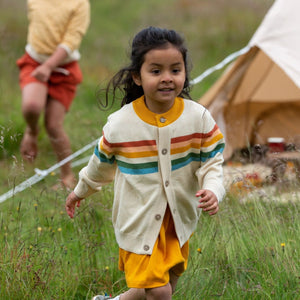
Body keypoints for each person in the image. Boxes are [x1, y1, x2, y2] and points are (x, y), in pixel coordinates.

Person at [65, 26, 225, 300]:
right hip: (137, 222)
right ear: (137, 77)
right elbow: (99, 166)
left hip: (179, 221)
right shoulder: (121, 124)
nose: (167, 79)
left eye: (175, 70)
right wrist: (80, 190)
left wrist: (213, 189)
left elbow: (212, 161)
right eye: (156, 71)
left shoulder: (197, 117)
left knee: (164, 287)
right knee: (160, 293)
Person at [16, 0, 90, 189]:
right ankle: (32, 131)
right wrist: (43, 65)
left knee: (53, 125)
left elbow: (71, 41)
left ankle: (67, 176)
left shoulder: (79, 4)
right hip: (35, 62)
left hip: (63, 68)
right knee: (32, 107)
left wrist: (49, 66)